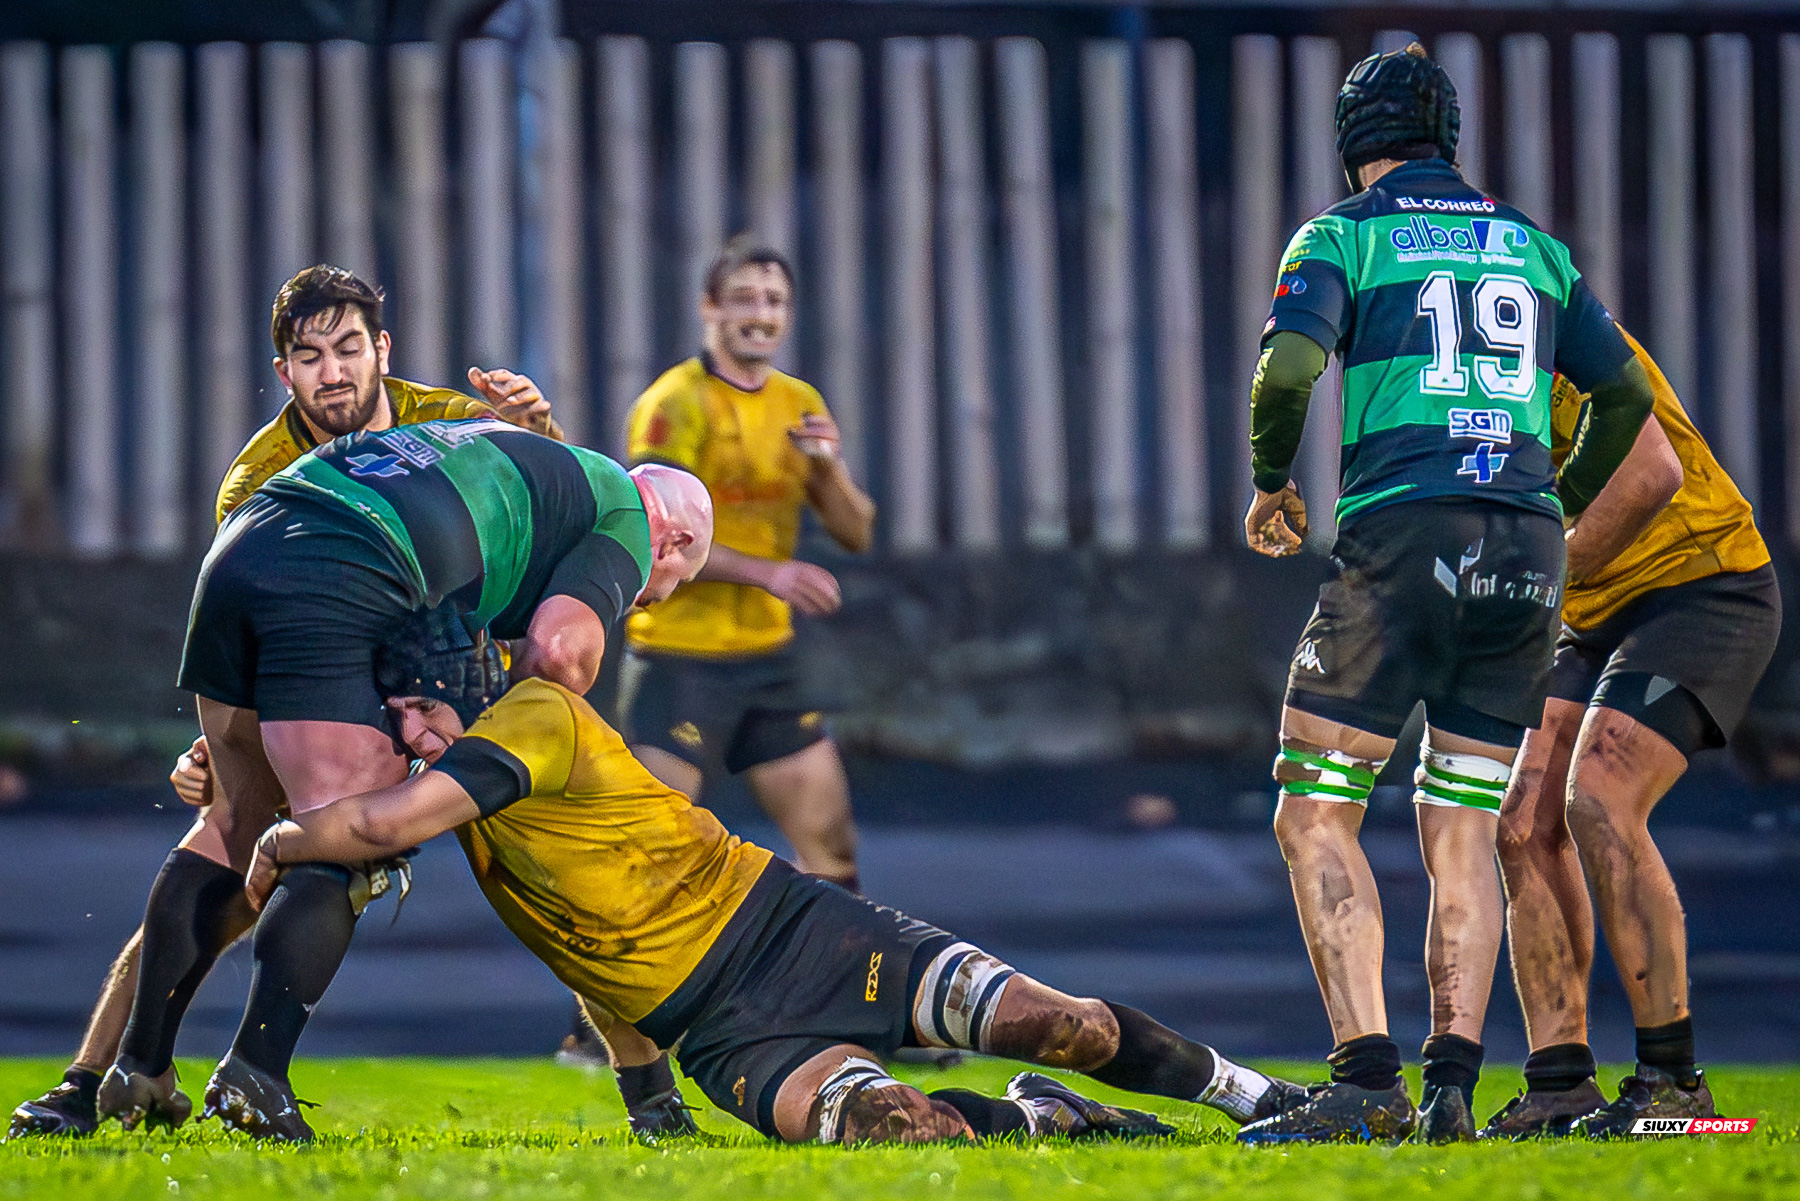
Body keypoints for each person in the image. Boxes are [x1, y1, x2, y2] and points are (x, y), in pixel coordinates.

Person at [230, 606, 1307, 1144]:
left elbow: (375, 823)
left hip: (792, 928)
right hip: (725, 1032)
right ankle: (1048, 1122)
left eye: (418, 705)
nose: (407, 729)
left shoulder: (530, 719)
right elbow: (591, 943)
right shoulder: (465, 795)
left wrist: (277, 840)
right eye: (397, 716)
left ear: (463, 684)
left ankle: (1270, 1102)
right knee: (892, 1136)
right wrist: (651, 1094)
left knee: (1066, 1022)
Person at [8, 264, 563, 1140]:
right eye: (310, 357)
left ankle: (648, 1091)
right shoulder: (256, 480)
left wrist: (537, 429)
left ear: (383, 349)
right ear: (284, 370)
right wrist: (233, 745)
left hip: (469, 699)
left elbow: (539, 499)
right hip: (354, 697)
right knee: (243, 839)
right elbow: (250, 626)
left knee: (564, 862)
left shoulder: (456, 421)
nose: (332, 373)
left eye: (348, 349)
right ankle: (114, 1078)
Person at [1236, 44, 1654, 1144]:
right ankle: (1453, 1088)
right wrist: (1554, 502)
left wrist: (1271, 479)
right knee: (1460, 824)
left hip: (1403, 534)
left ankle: (1369, 1084)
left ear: (1353, 142)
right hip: (1523, 550)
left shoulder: (1344, 234)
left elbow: (1286, 370)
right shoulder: (1534, 248)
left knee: (1315, 807)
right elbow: (1625, 395)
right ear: (1450, 139)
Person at [88, 415, 712, 1138]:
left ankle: (140, 1065)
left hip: (244, 547)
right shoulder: (628, 515)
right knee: (346, 836)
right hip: (346, 565)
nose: (637, 601)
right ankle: (253, 1074)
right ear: (674, 543)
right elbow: (561, 655)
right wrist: (517, 738)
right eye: (656, 592)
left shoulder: (518, 459)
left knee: (235, 821)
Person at [1481, 329, 1779, 1139]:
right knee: (1520, 827)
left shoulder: (1551, 331)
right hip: (1599, 606)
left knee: (1600, 799)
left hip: (1703, 585)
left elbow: (1654, 471)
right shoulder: (1450, 367)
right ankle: (1559, 1084)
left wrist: (1541, 575)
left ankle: (1673, 1079)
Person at [622, 236, 875, 893]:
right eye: (743, 300)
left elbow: (856, 532)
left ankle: (830, 994)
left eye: (774, 300)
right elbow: (659, 533)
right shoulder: (674, 404)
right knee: (651, 867)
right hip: (678, 658)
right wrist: (771, 572)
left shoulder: (799, 402)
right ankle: (611, 1000)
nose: (760, 314)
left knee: (833, 851)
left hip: (768, 657)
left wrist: (830, 470)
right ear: (710, 309)